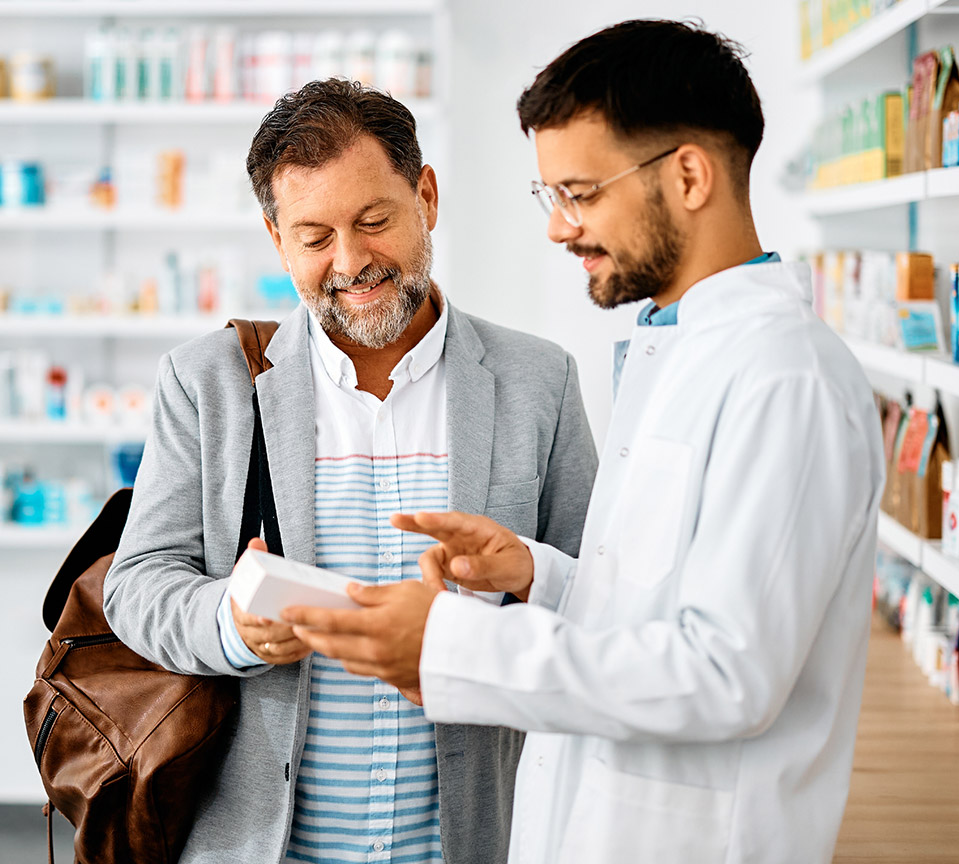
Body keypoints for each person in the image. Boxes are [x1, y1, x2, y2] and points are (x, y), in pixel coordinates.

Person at [281, 20, 886, 864]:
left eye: (581, 192)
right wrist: (539, 574)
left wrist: (452, 644)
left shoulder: (786, 380)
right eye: (552, 197)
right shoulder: (673, 348)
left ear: (686, 175)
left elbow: (727, 675)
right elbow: (658, 610)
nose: (561, 228)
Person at [103, 78, 599, 864]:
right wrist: (232, 625)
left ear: (426, 197)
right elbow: (138, 587)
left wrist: (521, 581)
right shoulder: (209, 386)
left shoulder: (540, 382)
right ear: (275, 238)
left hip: (472, 840)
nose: (351, 261)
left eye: (375, 221)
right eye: (314, 236)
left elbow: (597, 589)